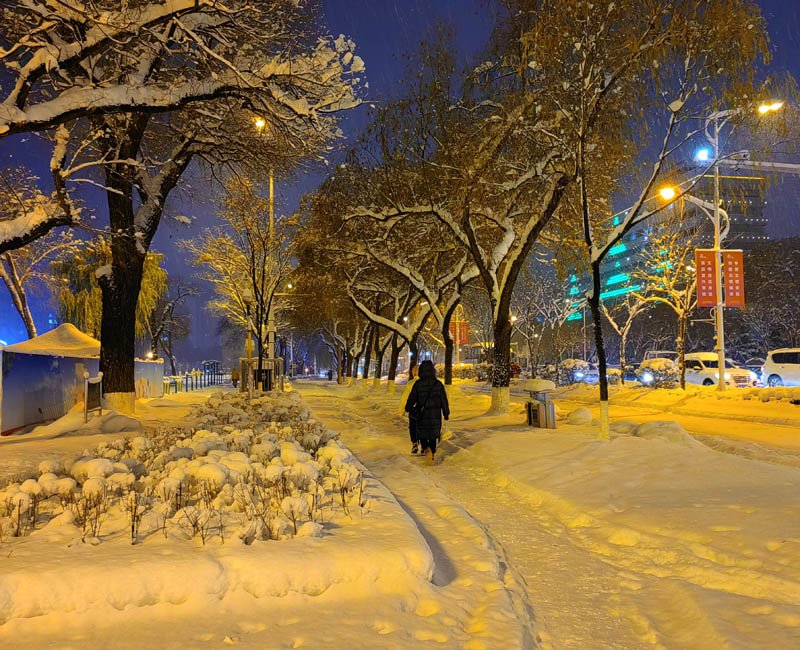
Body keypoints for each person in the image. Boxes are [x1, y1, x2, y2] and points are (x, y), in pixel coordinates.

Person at [405, 360, 449, 463]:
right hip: (435, 415)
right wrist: (446, 413)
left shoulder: (418, 384)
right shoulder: (438, 384)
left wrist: (408, 408)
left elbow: (412, 398)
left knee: (423, 435)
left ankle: (426, 449)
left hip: (422, 415)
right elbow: (444, 400)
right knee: (433, 436)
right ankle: (432, 452)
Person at [399, 365, 420, 453]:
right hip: (423, 408)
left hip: (413, 408)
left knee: (413, 426)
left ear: (413, 373)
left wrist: (402, 409)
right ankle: (424, 445)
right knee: (421, 426)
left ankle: (414, 443)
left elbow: (406, 396)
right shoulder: (425, 382)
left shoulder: (411, 383)